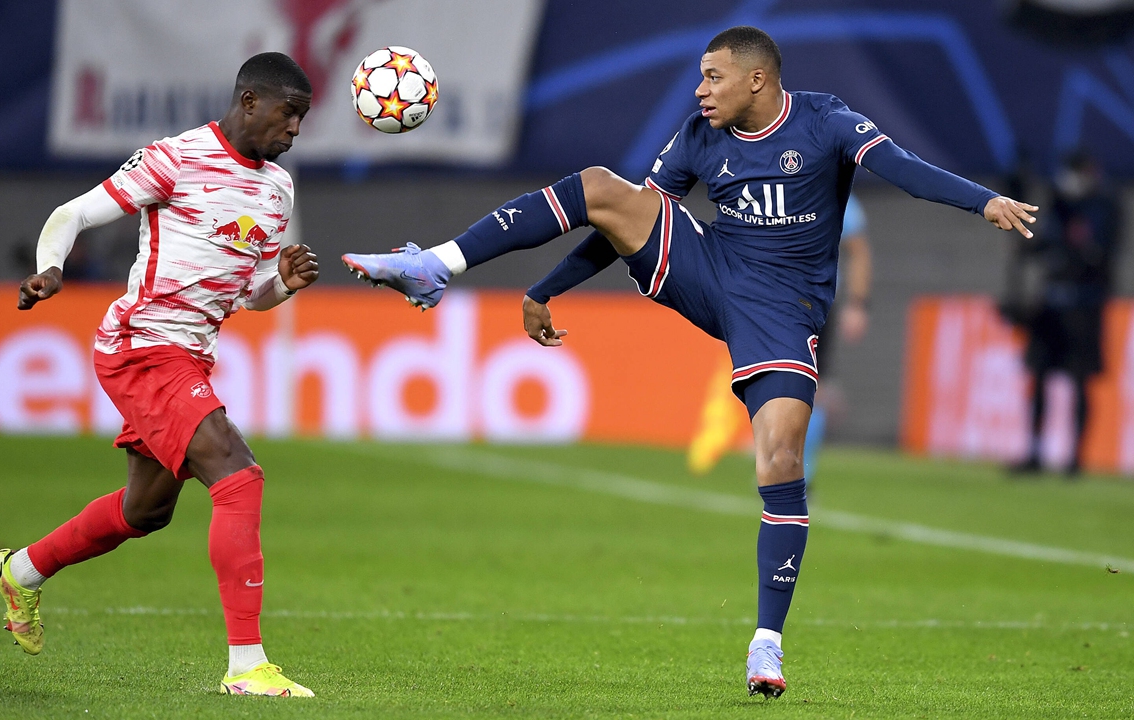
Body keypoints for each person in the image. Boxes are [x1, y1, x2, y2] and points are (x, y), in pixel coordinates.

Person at [342, 26, 1037, 698]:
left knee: (781, 462)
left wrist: (986, 202)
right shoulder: (700, 136)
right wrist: (547, 288)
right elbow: (624, 223)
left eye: (714, 76)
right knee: (603, 186)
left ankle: (767, 639)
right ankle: (436, 265)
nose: (701, 89)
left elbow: (906, 172)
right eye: (701, 76)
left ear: (757, 79)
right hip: (709, 271)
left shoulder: (827, 122)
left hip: (784, 313)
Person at [0, 52, 320, 698]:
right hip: (143, 346)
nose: (295, 130)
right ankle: (247, 665)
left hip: (189, 355)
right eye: (289, 113)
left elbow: (248, 294)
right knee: (237, 473)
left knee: (146, 510)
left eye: (301, 118)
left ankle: (20, 571)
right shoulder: (177, 157)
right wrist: (51, 268)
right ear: (250, 101)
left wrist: (283, 283)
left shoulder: (277, 188)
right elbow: (73, 213)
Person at [1011, 150, 1121, 475]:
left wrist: (1071, 245)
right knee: (1040, 376)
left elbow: (1099, 254)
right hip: (1051, 302)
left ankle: (1076, 458)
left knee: (1079, 380)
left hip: (1085, 305)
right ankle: (1034, 452)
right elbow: (1038, 246)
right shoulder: (1056, 203)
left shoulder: (1105, 206)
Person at [803, 192, 872, 480]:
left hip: (817, 302)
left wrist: (857, 304)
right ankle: (779, 456)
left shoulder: (837, 193)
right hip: (773, 299)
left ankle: (803, 473)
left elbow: (858, 250)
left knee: (812, 386)